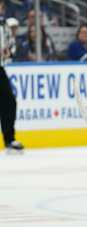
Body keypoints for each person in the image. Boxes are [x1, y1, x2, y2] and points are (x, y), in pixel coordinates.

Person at [0, 10, 24, 154]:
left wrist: (8, 51)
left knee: (8, 102)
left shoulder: (4, 24)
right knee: (8, 101)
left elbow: (11, 45)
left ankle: (9, 139)